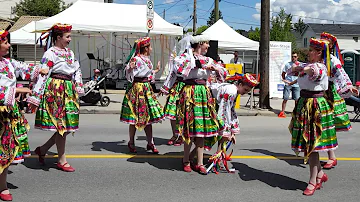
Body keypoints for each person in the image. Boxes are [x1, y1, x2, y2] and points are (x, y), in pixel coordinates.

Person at [28, 23, 84, 172]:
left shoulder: (70, 53)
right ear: (58, 37)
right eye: (67, 36)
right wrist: (36, 96)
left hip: (68, 90)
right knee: (62, 126)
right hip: (56, 90)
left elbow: (77, 69)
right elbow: (44, 74)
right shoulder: (50, 53)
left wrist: (78, 84)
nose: (70, 39)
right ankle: (61, 160)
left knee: (65, 127)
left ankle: (43, 149)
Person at [0, 29, 48, 201]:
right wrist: (16, 89)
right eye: (5, 42)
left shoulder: (8, 63)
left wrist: (39, 70)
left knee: (5, 148)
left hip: (8, 112)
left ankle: (2, 185)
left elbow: (24, 68)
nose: (9, 45)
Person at [288, 38, 336, 196]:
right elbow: (298, 72)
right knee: (308, 145)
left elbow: (313, 72)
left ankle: (313, 181)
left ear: (318, 53)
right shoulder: (307, 65)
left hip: (314, 106)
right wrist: (296, 70)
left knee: (312, 146)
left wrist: (301, 68)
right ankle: (320, 175)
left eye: (310, 50)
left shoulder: (320, 67)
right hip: (304, 104)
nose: (308, 52)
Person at [176, 34, 228, 174]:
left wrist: (216, 69)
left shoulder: (209, 60)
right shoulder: (186, 57)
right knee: (189, 128)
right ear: (200, 44)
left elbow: (224, 72)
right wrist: (199, 64)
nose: (209, 46)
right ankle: (186, 160)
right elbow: (179, 70)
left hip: (204, 94)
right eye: (207, 44)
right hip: (190, 93)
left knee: (201, 129)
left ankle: (199, 162)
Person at [319, 32, 359, 169]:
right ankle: (318, 154)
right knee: (319, 125)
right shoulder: (318, 59)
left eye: (324, 43)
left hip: (328, 94)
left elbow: (342, 75)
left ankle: (331, 157)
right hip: (318, 94)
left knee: (327, 125)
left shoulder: (332, 60)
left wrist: (349, 86)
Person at [120, 37, 164, 154]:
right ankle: (131, 142)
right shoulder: (136, 58)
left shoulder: (147, 60)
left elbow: (147, 73)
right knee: (135, 117)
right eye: (150, 46)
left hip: (146, 88)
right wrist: (130, 67)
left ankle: (150, 142)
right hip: (137, 89)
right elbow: (129, 71)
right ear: (145, 48)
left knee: (148, 117)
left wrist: (155, 71)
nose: (151, 49)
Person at [205, 74, 259, 163]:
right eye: (245, 90)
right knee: (214, 133)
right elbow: (224, 111)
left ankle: (220, 154)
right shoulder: (231, 92)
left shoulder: (234, 91)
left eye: (248, 91)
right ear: (240, 85)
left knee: (223, 135)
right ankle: (192, 158)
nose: (245, 92)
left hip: (215, 103)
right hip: (208, 102)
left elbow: (230, 110)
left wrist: (232, 129)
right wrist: (227, 129)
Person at [158, 36, 192, 147]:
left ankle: (181, 135)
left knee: (183, 113)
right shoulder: (179, 58)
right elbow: (172, 74)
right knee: (173, 113)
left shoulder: (193, 59)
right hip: (177, 87)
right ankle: (174, 134)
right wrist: (165, 87)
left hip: (187, 87)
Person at [278, 52, 301, 118]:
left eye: (295, 56)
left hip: (296, 84)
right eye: (292, 56)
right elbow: (283, 73)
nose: (294, 58)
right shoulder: (288, 64)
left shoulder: (300, 64)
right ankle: (282, 111)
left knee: (297, 99)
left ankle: (296, 112)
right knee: (285, 98)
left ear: (297, 57)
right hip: (288, 84)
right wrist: (285, 80)